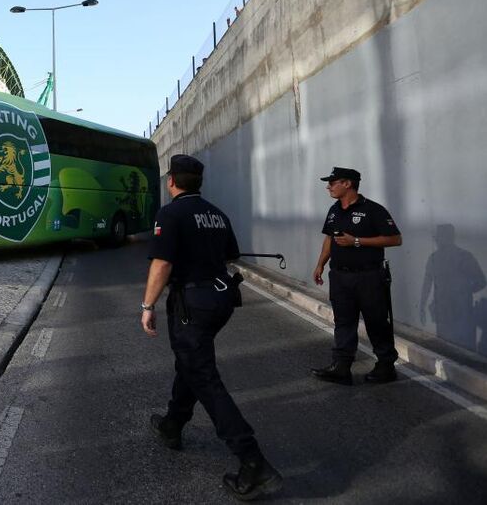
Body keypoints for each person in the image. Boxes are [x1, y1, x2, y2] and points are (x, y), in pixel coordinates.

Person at [141, 154, 282, 501]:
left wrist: (148, 306)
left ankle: (253, 461)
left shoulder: (170, 213)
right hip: (221, 300)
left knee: (203, 374)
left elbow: (162, 264)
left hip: (192, 304)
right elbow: (230, 254)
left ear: (172, 181)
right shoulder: (217, 214)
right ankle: (173, 424)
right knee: (192, 362)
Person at [312, 166, 402, 385]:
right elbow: (329, 240)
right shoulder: (334, 210)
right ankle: (341, 367)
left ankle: (386, 366)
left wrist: (358, 241)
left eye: (332, 183)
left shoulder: (373, 210)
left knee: (376, 321)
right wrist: (320, 265)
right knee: (343, 322)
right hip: (340, 277)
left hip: (369, 277)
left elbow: (394, 239)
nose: (328, 187)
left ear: (347, 184)